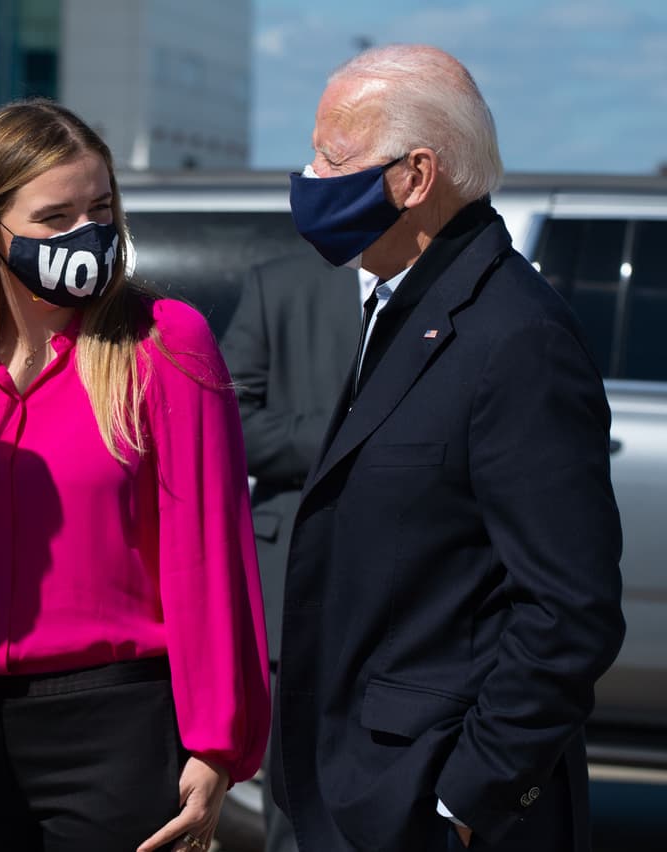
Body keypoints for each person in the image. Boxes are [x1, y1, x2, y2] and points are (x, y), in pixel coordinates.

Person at [0, 100, 270, 852]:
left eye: (100, 208)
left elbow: (209, 554)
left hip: (120, 734)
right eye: (54, 217)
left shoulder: (164, 342)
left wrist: (218, 743)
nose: (83, 235)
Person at [271, 44, 625, 852]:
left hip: (428, 802)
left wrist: (464, 802)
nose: (308, 176)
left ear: (416, 176)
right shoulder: (402, 306)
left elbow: (570, 612)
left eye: (332, 154)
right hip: (355, 784)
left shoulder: (515, 337)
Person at [216, 251, 360, 852]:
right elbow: (227, 415)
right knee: (295, 811)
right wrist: (345, 436)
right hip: (292, 583)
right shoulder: (278, 284)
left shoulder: (437, 281)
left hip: (404, 592)